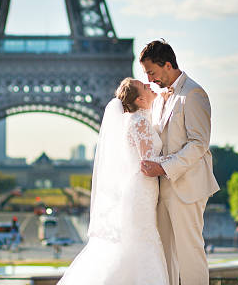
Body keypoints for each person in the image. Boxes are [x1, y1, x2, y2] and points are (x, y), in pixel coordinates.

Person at [57, 78, 169, 285]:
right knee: (142, 243)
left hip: (137, 190)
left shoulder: (133, 120)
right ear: (140, 99)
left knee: (134, 244)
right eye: (144, 87)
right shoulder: (140, 121)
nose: (149, 86)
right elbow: (148, 161)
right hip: (142, 191)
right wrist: (178, 161)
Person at [139, 39, 220, 285]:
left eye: (151, 72)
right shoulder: (162, 97)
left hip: (187, 187)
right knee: (165, 257)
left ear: (167, 64)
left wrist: (163, 167)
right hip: (163, 188)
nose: (150, 79)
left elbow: (199, 143)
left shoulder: (193, 94)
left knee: (190, 254)